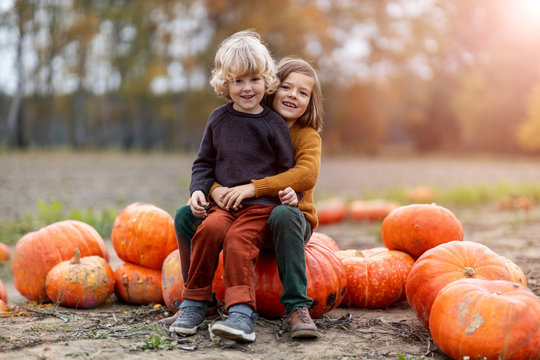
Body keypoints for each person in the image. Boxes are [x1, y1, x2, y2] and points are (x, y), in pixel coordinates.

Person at [165, 55, 324, 340]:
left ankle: (297, 307)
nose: (293, 96)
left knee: (283, 214)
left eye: (303, 92)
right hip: (237, 210)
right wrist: (212, 191)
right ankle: (198, 300)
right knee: (186, 217)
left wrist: (255, 189)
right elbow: (213, 164)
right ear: (274, 88)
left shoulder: (303, 135)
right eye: (287, 88)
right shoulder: (235, 120)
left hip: (284, 221)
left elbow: (303, 175)